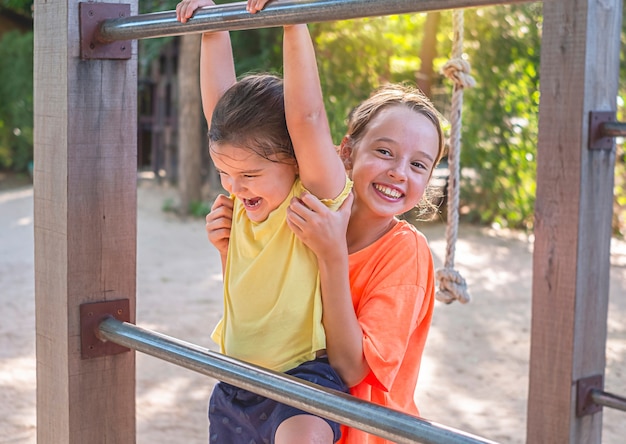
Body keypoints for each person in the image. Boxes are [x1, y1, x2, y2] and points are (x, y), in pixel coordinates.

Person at [176, 1, 352, 443]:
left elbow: (306, 119)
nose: (234, 187)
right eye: (224, 172)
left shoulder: (311, 198)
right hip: (235, 384)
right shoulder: (243, 200)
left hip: (300, 380)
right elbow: (219, 111)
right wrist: (212, 25)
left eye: (249, 175)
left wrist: (291, 19)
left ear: (295, 159)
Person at [286, 83, 444, 444]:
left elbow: (350, 367)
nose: (399, 172)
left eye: (418, 164)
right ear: (347, 151)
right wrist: (226, 249)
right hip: (288, 417)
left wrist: (331, 256)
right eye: (385, 151)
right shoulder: (311, 217)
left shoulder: (406, 253)